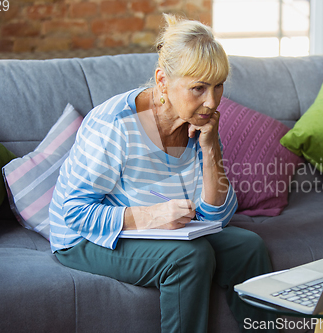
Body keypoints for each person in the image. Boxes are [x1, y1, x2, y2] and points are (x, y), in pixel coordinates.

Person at [49, 13, 276, 333]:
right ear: (162, 81)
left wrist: (211, 146)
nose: (211, 102)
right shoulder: (115, 124)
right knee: (189, 257)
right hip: (83, 239)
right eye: (198, 88)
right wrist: (150, 217)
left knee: (249, 247)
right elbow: (74, 212)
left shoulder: (201, 121)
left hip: (159, 231)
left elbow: (217, 218)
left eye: (218, 86)